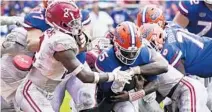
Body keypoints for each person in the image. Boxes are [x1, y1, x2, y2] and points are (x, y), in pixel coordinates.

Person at [15, 2, 133, 112]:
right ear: (59, 23)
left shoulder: (55, 33)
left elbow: (72, 49)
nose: (76, 25)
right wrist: (113, 76)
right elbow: (85, 77)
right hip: (33, 91)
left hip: (45, 89)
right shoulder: (60, 42)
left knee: (87, 101)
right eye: (71, 22)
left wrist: (90, 45)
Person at [137, 5, 212, 110]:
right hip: (203, 62)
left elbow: (179, 78)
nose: (146, 30)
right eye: (143, 27)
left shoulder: (168, 46)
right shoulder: (169, 27)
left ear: (159, 24)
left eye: (150, 26)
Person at [95, 21, 169, 112]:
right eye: (127, 52)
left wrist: (134, 93)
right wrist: (119, 86)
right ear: (116, 45)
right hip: (113, 96)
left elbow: (156, 82)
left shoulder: (144, 52)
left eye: (134, 52)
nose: (131, 56)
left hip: (139, 93)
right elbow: (107, 98)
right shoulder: (106, 59)